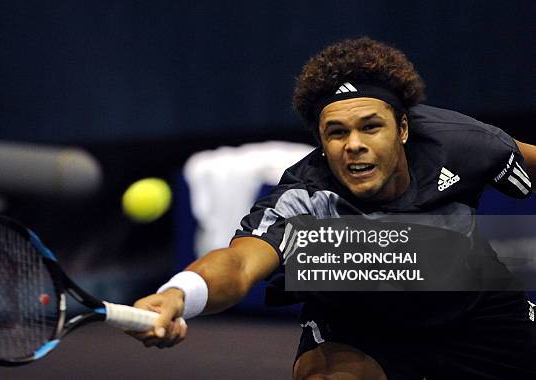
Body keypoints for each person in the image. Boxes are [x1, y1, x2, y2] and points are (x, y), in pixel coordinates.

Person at [126, 37, 536, 379]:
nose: (353, 144)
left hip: (478, 308)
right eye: (336, 133)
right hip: (361, 326)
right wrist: (180, 293)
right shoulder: (305, 196)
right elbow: (237, 264)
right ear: (322, 142)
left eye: (370, 127)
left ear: (404, 129)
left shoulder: (462, 144)